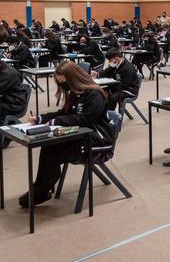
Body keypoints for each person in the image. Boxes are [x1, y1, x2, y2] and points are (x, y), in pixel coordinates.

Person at [23, 61, 112, 207]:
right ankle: (41, 188)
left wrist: (57, 121)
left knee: (53, 153)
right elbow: (64, 113)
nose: (63, 86)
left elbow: (85, 119)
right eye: (60, 83)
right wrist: (42, 119)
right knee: (48, 146)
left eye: (64, 82)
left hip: (97, 140)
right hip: (80, 135)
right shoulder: (75, 93)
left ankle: (41, 190)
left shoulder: (94, 94)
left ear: (73, 78)